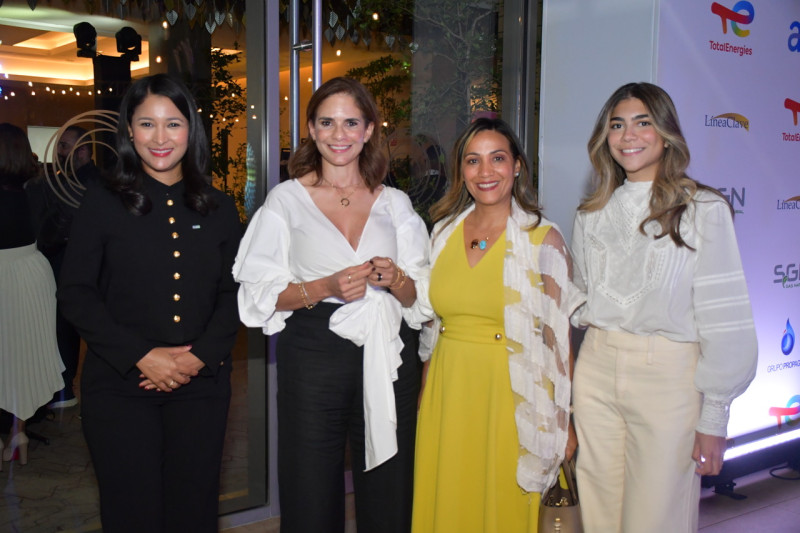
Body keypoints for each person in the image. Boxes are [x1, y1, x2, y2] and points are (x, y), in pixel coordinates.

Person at [233, 77, 430, 533]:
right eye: (327, 122)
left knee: (389, 480)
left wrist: (396, 278)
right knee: (309, 482)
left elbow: (420, 298)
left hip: (388, 350)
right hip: (313, 351)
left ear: (368, 131)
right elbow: (258, 296)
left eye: (350, 122)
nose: (338, 134)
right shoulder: (286, 201)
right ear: (311, 129)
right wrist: (323, 286)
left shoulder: (396, 204)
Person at [57, 74, 242, 533]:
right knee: (131, 513)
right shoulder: (101, 201)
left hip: (201, 387)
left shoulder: (219, 206)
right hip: (120, 387)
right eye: (147, 124)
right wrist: (141, 356)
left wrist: (198, 358)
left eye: (173, 124)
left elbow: (236, 292)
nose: (160, 138)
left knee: (194, 512)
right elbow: (76, 293)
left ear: (191, 129)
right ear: (129, 131)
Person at [570, 82, 758, 533]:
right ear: (605, 137)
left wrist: (715, 417)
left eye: (642, 122)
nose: (628, 135)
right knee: (598, 514)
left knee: (657, 519)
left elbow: (723, 316)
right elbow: (579, 301)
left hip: (669, 379)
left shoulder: (703, 209)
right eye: (617, 124)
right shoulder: (589, 213)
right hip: (595, 370)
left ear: (666, 133)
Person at [411, 118, 581, 532]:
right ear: (461, 171)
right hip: (448, 392)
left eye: (498, 159)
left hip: (513, 396)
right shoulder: (442, 233)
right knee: (450, 502)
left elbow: (560, 343)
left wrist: (566, 423)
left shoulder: (544, 239)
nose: (485, 172)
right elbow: (434, 325)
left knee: (502, 506)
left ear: (518, 166)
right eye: (473, 161)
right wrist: (425, 390)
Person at [0, 123, 65, 468]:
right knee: (23, 351)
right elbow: (55, 232)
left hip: (6, 272)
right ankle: (18, 431)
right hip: (33, 271)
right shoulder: (40, 190)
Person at [27, 124, 105, 409]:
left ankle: (66, 388)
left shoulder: (81, 184)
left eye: (64, 146)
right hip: (82, 266)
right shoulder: (92, 181)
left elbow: (62, 227)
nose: (58, 152)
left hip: (72, 266)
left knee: (67, 327)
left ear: (82, 150)